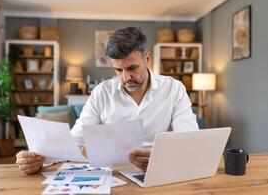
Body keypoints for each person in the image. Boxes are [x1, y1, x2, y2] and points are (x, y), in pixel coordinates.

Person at [16, 27, 199, 175]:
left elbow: (189, 138)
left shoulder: (174, 89)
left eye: (132, 68)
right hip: (114, 174)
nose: (126, 77)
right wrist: (39, 159)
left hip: (163, 169)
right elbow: (75, 141)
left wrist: (161, 158)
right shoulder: (101, 93)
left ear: (147, 59)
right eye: (118, 70)